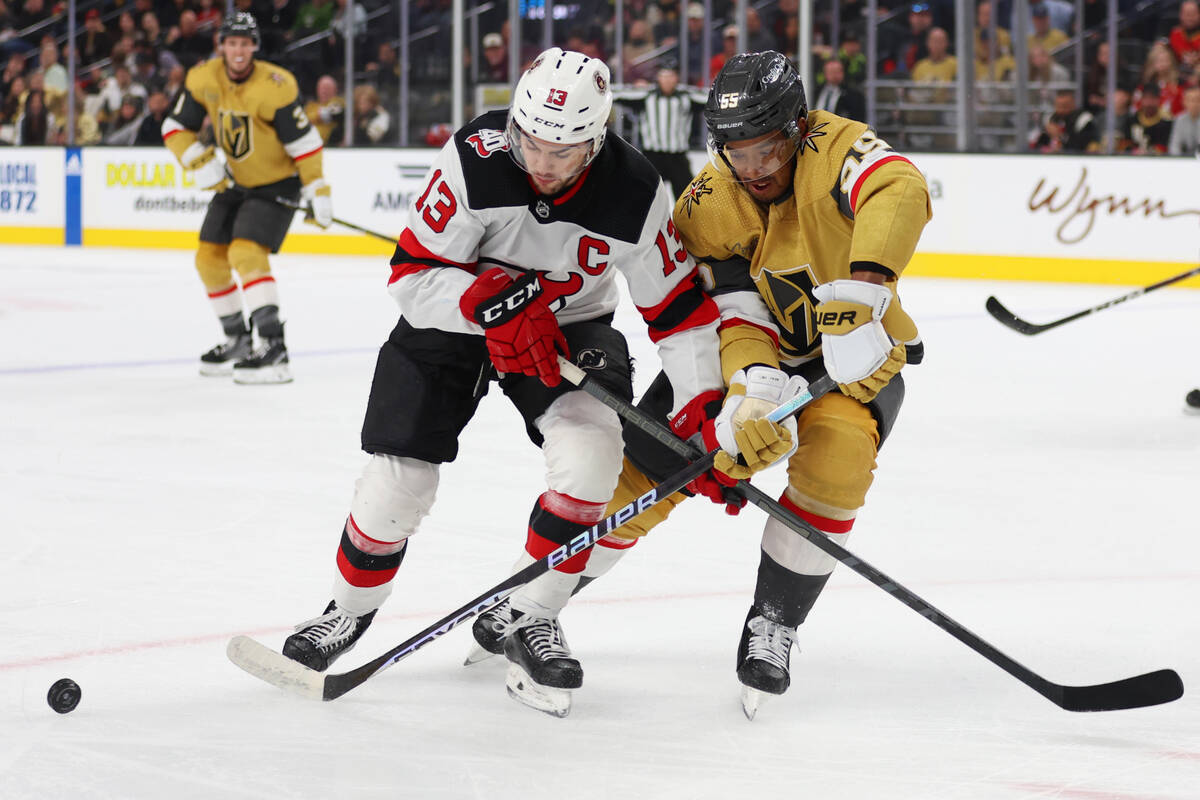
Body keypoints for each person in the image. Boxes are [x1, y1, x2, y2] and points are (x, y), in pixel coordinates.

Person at [279, 48, 765, 718]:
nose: (540, 164)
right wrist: (486, 301)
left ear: (594, 145)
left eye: (562, 154)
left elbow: (680, 315)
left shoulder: (637, 193)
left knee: (594, 454)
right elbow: (413, 278)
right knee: (399, 481)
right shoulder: (475, 156)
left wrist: (704, 410)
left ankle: (531, 615)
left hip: (568, 332)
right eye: (529, 143)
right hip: (457, 320)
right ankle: (347, 611)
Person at [473, 50, 931, 718]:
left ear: (798, 128)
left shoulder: (839, 148)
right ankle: (538, 598)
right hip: (750, 356)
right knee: (645, 470)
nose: (753, 168)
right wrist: (750, 389)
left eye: (767, 150)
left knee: (836, 465)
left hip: (855, 362)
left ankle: (774, 622)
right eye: (735, 152)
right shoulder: (710, 200)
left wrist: (865, 292)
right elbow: (727, 309)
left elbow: (900, 188)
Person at [162, 11, 332, 383]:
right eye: (232, 42)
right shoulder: (203, 77)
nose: (238, 51)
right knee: (208, 259)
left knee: (245, 252)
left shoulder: (276, 85)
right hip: (235, 183)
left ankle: (274, 348)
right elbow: (175, 127)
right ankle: (237, 339)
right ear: (220, 45)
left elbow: (304, 145)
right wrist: (195, 159)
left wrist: (317, 188)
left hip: (277, 184)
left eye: (245, 43)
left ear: (254, 47)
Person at [612, 60, 708, 199]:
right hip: (653, 156)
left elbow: (711, 97)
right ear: (658, 77)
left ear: (677, 78)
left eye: (671, 76)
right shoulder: (646, 95)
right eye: (664, 75)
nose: (667, 80)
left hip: (678, 157)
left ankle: (685, 221)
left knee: (689, 198)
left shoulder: (686, 96)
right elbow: (617, 93)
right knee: (644, 195)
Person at [1167, 84, 1200, 155]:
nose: (1195, 104)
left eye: (1198, 100)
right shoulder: (1179, 119)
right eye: (1191, 100)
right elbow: (1174, 146)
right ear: (1184, 102)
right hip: (1185, 160)